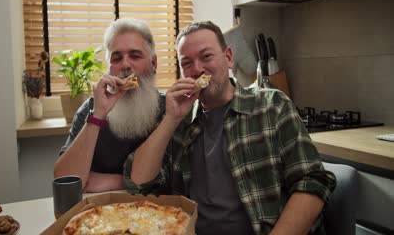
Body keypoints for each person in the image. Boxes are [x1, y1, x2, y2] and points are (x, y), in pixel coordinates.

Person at [124, 21, 336, 234]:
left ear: (228, 58)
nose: (197, 69)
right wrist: (171, 118)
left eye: (206, 57)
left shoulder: (272, 106)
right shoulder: (179, 122)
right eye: (186, 63)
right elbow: (139, 184)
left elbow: (312, 181)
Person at [54, 18, 165, 193]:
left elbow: (172, 180)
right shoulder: (90, 110)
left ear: (153, 64)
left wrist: (101, 180)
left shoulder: (170, 109)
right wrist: (97, 116)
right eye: (117, 58)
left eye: (135, 56)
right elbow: (65, 181)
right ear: (109, 68)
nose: (125, 65)